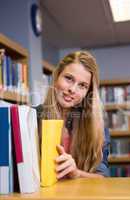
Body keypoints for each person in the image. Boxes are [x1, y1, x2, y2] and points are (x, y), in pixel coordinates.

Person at [36, 51, 110, 179]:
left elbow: (103, 177)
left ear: (88, 92)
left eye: (82, 85)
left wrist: (77, 173)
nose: (73, 89)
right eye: (69, 78)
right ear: (56, 77)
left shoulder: (97, 128)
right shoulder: (31, 118)